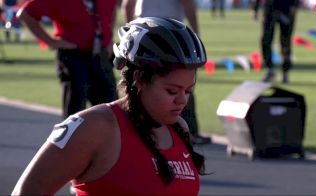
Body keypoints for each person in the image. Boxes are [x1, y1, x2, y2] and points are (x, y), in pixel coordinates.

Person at [12, 17, 207, 195]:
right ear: (140, 80)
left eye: (188, 91)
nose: (182, 100)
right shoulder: (95, 127)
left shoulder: (179, 128)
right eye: (172, 91)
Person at [121, 0, 211, 145]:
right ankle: (189, 133)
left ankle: (136, 129)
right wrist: (195, 34)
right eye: (171, 91)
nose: (182, 99)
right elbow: (188, 4)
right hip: (171, 35)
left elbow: (128, 5)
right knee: (179, 84)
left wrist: (131, 34)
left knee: (151, 89)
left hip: (144, 34)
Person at [16, 0, 118, 118]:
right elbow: (25, 14)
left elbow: (112, 9)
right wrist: (51, 42)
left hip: (101, 54)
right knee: (76, 110)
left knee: (112, 108)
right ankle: (73, 136)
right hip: (73, 55)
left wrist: (109, 37)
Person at [253, 0, 300, 83]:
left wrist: (295, 5)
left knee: (285, 42)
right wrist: (256, 8)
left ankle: (285, 72)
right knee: (266, 40)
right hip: (270, 9)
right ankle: (270, 69)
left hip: (287, 9)